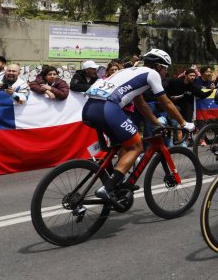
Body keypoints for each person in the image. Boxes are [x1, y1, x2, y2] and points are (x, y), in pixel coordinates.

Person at [82, 49, 193, 207]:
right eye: (166, 69)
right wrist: (184, 123)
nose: (165, 73)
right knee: (136, 146)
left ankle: (116, 183)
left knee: (121, 146)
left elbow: (140, 103)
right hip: (107, 108)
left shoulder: (130, 71)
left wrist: (156, 122)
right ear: (159, 66)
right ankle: (108, 188)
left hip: (89, 108)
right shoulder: (152, 73)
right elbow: (165, 102)